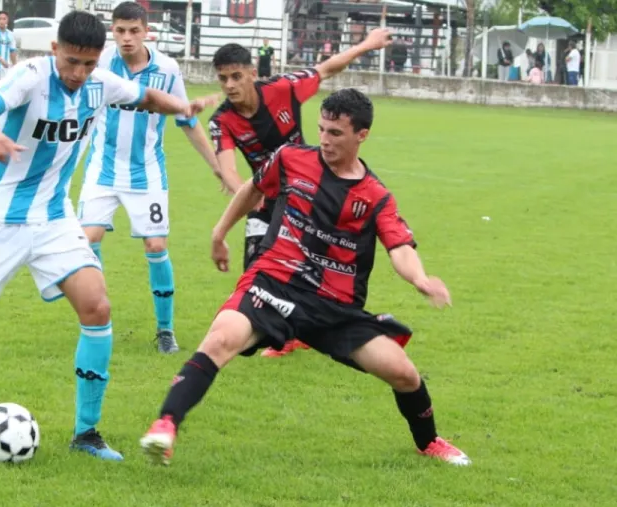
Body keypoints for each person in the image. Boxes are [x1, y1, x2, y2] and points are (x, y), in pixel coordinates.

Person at [0, 10, 215, 462]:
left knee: (97, 307)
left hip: (54, 219)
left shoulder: (100, 82)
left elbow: (146, 96)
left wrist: (182, 107)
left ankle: (86, 434)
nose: (79, 73)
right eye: (71, 61)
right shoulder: (30, 76)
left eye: (88, 64)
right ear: (55, 49)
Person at [140, 88, 471, 468]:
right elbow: (252, 188)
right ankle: (165, 425)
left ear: (361, 135)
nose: (325, 140)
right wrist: (219, 233)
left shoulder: (375, 196)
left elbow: (399, 247)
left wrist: (420, 279)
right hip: (274, 282)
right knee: (220, 339)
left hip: (333, 306)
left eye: (336, 133)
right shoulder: (291, 158)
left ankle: (429, 442)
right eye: (322, 129)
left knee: (403, 373)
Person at [206, 28, 391, 357]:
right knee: (255, 271)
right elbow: (228, 170)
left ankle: (298, 334)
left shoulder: (283, 89)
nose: (230, 85)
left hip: (308, 193)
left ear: (252, 73)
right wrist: (251, 196)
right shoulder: (221, 121)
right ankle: (271, 330)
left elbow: (327, 68)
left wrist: (368, 44)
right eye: (223, 79)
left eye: (236, 76)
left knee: (312, 266)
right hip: (263, 198)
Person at [78, 2, 225, 354]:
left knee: (156, 246)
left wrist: (216, 165)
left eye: (134, 31)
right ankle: (98, 316)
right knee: (87, 240)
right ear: (112, 31)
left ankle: (165, 329)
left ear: (147, 32)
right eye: (120, 30)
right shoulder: (100, 62)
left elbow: (186, 119)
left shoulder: (167, 69)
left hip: (147, 173)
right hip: (103, 169)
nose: (126, 38)